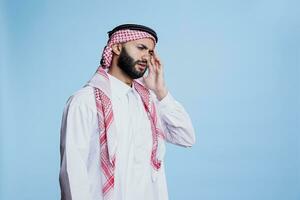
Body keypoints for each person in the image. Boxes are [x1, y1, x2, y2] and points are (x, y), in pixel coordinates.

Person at [59, 24, 196, 200]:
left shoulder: (149, 102)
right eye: (141, 48)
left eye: (151, 52)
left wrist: (161, 91)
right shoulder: (85, 101)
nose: (146, 56)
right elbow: (73, 171)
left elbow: (186, 137)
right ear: (116, 47)